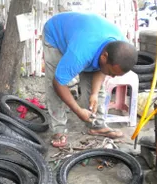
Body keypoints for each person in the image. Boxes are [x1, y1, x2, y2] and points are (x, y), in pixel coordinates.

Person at [42, 12, 138, 147]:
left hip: (85, 38)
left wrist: (93, 93)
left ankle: (96, 126)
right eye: (112, 72)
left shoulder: (120, 47)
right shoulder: (80, 54)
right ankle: (58, 130)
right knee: (56, 84)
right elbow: (58, 83)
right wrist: (78, 110)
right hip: (56, 35)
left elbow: (102, 70)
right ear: (104, 57)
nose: (112, 76)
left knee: (98, 90)